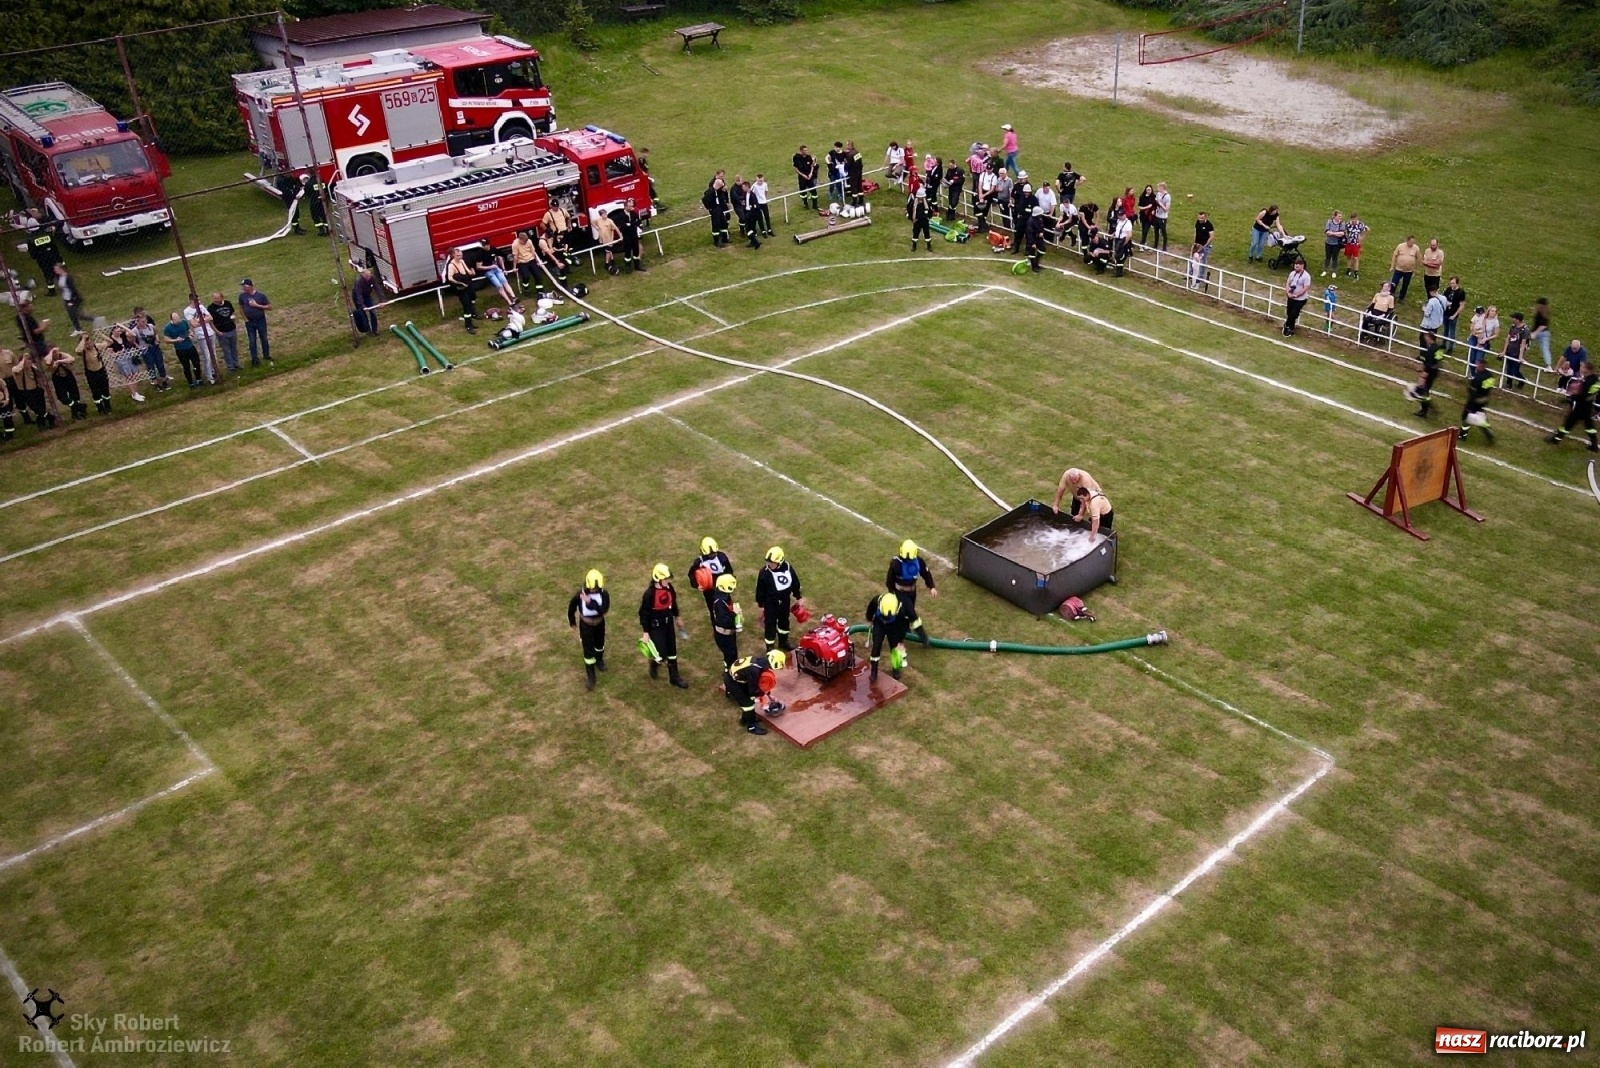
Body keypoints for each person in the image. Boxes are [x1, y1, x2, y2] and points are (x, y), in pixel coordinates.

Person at [638, 563, 690, 688]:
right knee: (661, 653)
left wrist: (677, 616)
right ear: (658, 579)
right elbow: (643, 614)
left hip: (668, 624)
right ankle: (655, 664)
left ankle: (674, 677)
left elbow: (673, 602)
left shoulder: (669, 588)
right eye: (665, 579)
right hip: (656, 627)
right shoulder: (649, 594)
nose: (668, 581)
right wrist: (646, 632)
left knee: (672, 650)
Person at [723, 650, 787, 736]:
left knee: (748, 701)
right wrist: (762, 698)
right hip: (733, 682)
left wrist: (766, 694)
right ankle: (751, 727)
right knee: (748, 703)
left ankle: (745, 719)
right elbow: (753, 690)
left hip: (738, 678)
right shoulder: (755, 670)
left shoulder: (760, 662)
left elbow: (756, 682)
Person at [753, 546, 804, 653]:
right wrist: (761, 606)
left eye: (772, 563)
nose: (769, 565)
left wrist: (798, 597)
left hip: (784, 601)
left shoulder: (788, 568)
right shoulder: (764, 573)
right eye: (768, 562)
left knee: (784, 622)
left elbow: (795, 583)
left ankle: (783, 642)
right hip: (770, 603)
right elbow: (760, 591)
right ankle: (770, 647)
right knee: (770, 624)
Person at [885, 539, 937, 643]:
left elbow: (926, 573)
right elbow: (889, 579)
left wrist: (931, 587)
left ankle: (904, 629)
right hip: (900, 593)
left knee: (906, 612)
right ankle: (923, 637)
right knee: (912, 614)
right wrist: (891, 593)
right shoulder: (896, 564)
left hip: (912, 592)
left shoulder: (918, 561)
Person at [1546, 359, 1598, 452]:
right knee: (1589, 426)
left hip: (1581, 407)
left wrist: (1572, 397)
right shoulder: (1594, 379)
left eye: (1582, 367)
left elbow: (1583, 395)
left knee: (1568, 424)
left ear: (1587, 369)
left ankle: (1555, 439)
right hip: (1587, 407)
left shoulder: (1588, 381)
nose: (1580, 368)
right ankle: (1594, 445)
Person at [866, 591, 915, 682]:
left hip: (894, 626)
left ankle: (896, 669)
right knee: (876, 647)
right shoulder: (876, 600)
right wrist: (869, 620)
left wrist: (900, 641)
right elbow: (870, 610)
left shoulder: (901, 610)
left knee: (895, 648)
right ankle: (874, 671)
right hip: (879, 624)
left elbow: (903, 627)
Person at [689, 536, 734, 625]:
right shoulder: (699, 562)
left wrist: (730, 581)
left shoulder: (722, 557)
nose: (713, 555)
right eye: (711, 554)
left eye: (714, 553)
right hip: (709, 590)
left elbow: (729, 570)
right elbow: (691, 574)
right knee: (713, 608)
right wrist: (697, 585)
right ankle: (717, 625)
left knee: (728, 604)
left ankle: (731, 621)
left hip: (723, 587)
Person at [1404, 329, 1444, 418]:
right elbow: (1437, 362)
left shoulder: (1431, 349)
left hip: (1429, 372)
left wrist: (1425, 372)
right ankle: (1426, 409)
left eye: (1426, 337)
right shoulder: (1437, 348)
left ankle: (1427, 409)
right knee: (1424, 391)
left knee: (1422, 391)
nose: (1425, 338)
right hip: (1433, 372)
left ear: (1430, 338)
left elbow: (1430, 363)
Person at [131, 307, 171, 391]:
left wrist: (157, 339)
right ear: (137, 322)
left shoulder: (150, 326)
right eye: (142, 322)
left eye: (145, 321)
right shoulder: (135, 331)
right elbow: (133, 341)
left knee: (160, 364)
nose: (145, 323)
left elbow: (155, 333)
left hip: (155, 347)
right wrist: (138, 347)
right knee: (150, 366)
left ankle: (164, 380)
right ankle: (155, 382)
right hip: (146, 350)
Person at [105, 322, 146, 403]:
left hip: (129, 357)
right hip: (121, 360)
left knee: (134, 375)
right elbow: (111, 355)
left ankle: (136, 392)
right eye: (117, 330)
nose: (119, 332)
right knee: (129, 377)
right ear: (112, 331)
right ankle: (133, 394)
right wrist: (119, 353)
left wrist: (122, 326)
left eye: (120, 330)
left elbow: (133, 334)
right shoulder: (111, 341)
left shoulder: (123, 336)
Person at [42, 344, 86, 420]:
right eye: (53, 352)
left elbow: (72, 359)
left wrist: (59, 361)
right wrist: (51, 352)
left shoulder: (62, 355)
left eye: (56, 352)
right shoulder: (49, 358)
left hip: (68, 377)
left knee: (74, 395)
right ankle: (80, 407)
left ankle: (75, 413)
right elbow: (47, 362)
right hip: (58, 379)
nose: (55, 354)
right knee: (62, 398)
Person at [23, 212, 63, 293]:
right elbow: (53, 246)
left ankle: (52, 291)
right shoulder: (46, 233)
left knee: (47, 273)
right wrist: (58, 257)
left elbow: (32, 252)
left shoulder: (31, 239)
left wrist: (35, 257)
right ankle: (63, 286)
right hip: (52, 255)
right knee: (58, 271)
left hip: (42, 258)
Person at [1457, 361, 1496, 443]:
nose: (1477, 366)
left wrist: (1469, 405)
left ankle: (1463, 435)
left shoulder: (1478, 378)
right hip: (1484, 399)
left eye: (1478, 365)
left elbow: (1473, 392)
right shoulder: (1490, 376)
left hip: (1475, 400)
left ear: (1482, 366)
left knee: (1465, 417)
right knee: (1479, 414)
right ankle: (1487, 429)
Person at [709, 573, 742, 668]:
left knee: (732, 655)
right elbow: (724, 621)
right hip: (724, 635)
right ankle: (729, 673)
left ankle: (731, 670)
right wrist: (735, 614)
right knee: (730, 656)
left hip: (728, 634)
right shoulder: (720, 602)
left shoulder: (724, 597)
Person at [443, 248, 479, 333]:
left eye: (461, 255)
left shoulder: (462, 261)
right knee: (466, 305)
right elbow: (450, 278)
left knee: (472, 298)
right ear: (453, 255)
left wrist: (472, 272)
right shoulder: (451, 265)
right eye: (458, 255)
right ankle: (468, 326)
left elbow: (467, 271)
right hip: (461, 287)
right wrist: (460, 284)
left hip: (467, 283)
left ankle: (472, 318)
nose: (460, 256)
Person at [163, 310, 203, 388]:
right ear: (172, 320)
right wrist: (175, 340)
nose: (178, 321)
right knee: (186, 366)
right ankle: (190, 382)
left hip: (190, 346)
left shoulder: (184, 322)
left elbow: (189, 330)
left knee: (196, 363)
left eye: (179, 319)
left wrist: (191, 334)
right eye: (176, 320)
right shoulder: (168, 328)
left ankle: (199, 379)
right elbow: (166, 340)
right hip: (181, 350)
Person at [75, 331, 112, 415]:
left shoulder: (97, 347)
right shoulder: (83, 351)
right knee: (96, 393)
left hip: (101, 371)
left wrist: (101, 335)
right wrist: (83, 339)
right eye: (87, 344)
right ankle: (100, 409)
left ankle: (108, 407)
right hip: (91, 374)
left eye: (90, 343)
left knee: (105, 390)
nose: (89, 345)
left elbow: (110, 342)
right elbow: (78, 350)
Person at [239, 279, 273, 365]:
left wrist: (257, 305)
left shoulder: (260, 296)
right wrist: (245, 319)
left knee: (264, 338)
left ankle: (266, 355)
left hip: (260, 320)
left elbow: (269, 307)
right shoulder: (242, 296)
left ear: (250, 286)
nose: (243, 288)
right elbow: (241, 308)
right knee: (252, 340)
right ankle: (254, 358)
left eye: (244, 286)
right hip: (250, 321)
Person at [205, 291, 241, 370]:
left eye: (217, 298)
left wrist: (234, 323)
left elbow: (232, 313)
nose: (216, 300)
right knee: (226, 350)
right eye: (214, 298)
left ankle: (236, 363)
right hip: (221, 331)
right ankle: (230, 366)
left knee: (234, 348)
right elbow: (211, 322)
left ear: (222, 298)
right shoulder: (210, 308)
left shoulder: (228, 303)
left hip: (231, 328)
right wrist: (217, 331)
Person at [475, 238, 518, 303]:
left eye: (485, 245)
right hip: (488, 271)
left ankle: (514, 297)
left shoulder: (493, 249)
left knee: (504, 281)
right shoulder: (479, 253)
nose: (483, 246)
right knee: (499, 286)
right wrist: (490, 266)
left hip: (496, 269)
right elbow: (478, 267)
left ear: (488, 244)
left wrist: (503, 268)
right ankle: (509, 301)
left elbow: (500, 257)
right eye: (482, 245)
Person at [615, 199, 647, 272]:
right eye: (630, 206)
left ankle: (637, 265)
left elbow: (638, 221)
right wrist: (632, 224)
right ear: (626, 206)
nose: (632, 207)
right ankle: (628, 267)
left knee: (636, 250)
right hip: (626, 236)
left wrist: (630, 224)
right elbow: (623, 226)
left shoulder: (633, 213)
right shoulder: (620, 215)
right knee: (627, 251)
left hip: (634, 234)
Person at [53, 263, 86, 334]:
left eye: (56, 269)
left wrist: (71, 300)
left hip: (72, 299)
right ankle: (78, 329)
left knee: (77, 315)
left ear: (61, 269)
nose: (55, 270)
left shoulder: (68, 277)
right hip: (66, 299)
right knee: (71, 315)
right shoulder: (59, 277)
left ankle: (94, 319)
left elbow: (73, 289)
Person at [1283, 257, 1312, 336]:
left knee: (1293, 314)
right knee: (1289, 313)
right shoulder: (1292, 273)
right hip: (1291, 297)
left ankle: (1287, 326)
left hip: (1300, 299)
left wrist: (1297, 295)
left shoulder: (1306, 276)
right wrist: (1287, 292)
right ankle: (1291, 328)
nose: (1296, 267)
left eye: (1298, 266)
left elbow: (1305, 288)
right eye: (1295, 265)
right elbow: (1288, 283)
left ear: (1302, 266)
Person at [1502, 311, 1530, 391]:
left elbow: (1523, 343)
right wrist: (1504, 351)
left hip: (1517, 353)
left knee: (1515, 370)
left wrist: (1520, 356)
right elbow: (1508, 339)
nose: (1512, 319)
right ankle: (1509, 384)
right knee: (1509, 369)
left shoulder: (1525, 330)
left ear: (1518, 320)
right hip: (1510, 351)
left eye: (1513, 318)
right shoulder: (1513, 327)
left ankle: (1522, 380)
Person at [702, 176, 731, 248]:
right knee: (716, 225)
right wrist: (709, 208)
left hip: (719, 208)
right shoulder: (710, 192)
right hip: (714, 209)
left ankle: (724, 238)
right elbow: (704, 200)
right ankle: (716, 241)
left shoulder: (717, 191)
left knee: (724, 222)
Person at [1389, 235, 1420, 302]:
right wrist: (1392, 266)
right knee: (1394, 282)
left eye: (1413, 242)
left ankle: (1401, 297)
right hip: (1398, 269)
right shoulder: (1400, 246)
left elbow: (1418, 258)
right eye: (1411, 242)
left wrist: (1416, 269)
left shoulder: (1416, 248)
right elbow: (1395, 256)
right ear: (1407, 241)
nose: (1412, 244)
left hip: (1409, 271)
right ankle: (1391, 295)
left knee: (1405, 284)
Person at [349, 270, 380, 338]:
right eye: (367, 276)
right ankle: (367, 330)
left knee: (373, 312)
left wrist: (382, 299)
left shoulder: (372, 278)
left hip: (367, 296)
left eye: (369, 275)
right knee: (363, 314)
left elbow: (377, 288)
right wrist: (362, 306)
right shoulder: (359, 281)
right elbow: (358, 295)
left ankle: (375, 330)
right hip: (357, 298)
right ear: (363, 276)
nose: (369, 277)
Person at [1440, 277, 1466, 355]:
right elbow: (1444, 299)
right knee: (1445, 329)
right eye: (1451, 283)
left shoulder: (1461, 292)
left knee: (1452, 331)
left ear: (1457, 283)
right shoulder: (1448, 289)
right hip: (1446, 312)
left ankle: (1450, 347)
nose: (1451, 285)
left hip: (1453, 313)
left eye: (1453, 283)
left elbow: (1462, 305)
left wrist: (1455, 315)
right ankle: (1443, 344)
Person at [592, 211, 623, 275]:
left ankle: (606, 263)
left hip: (609, 239)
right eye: (603, 214)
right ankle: (612, 260)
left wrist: (620, 236)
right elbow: (592, 222)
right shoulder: (598, 220)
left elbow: (616, 228)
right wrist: (596, 228)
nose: (605, 215)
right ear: (601, 215)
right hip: (602, 239)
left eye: (606, 214)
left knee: (608, 251)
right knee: (608, 251)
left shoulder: (610, 221)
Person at [511, 230, 541, 295]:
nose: (526, 242)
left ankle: (540, 290)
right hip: (522, 262)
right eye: (524, 241)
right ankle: (526, 289)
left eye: (526, 240)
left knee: (537, 275)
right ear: (520, 239)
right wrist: (514, 267)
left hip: (531, 260)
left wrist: (536, 261)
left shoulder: (529, 241)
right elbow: (515, 256)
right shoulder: (515, 244)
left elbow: (533, 252)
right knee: (526, 276)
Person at [300, 172, 329, 236]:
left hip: (314, 202)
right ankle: (327, 229)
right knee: (324, 216)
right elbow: (326, 189)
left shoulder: (308, 183)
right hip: (323, 201)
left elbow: (307, 193)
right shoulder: (321, 180)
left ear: (309, 174)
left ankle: (321, 230)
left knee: (315, 216)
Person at [1191, 210, 1215, 284]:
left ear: (1205, 217)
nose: (1200, 220)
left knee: (1202, 262)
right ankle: (1190, 274)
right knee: (1192, 259)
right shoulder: (1197, 222)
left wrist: (1204, 246)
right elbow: (1195, 233)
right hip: (1197, 245)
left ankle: (1200, 277)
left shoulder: (1209, 225)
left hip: (1205, 247)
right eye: (1199, 218)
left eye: (1202, 218)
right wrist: (1194, 243)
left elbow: (1211, 237)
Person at [1342, 212, 1367, 279]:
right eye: (1353, 219)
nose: (1354, 220)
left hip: (1356, 243)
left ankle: (1356, 272)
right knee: (1348, 257)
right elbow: (1345, 230)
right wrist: (1346, 235)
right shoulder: (1348, 224)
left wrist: (1362, 237)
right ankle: (1348, 269)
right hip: (1349, 243)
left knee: (1355, 258)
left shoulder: (1360, 224)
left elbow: (1365, 231)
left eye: (1355, 219)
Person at [1320, 209, 1345, 277]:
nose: (1340, 217)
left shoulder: (1342, 223)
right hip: (1328, 243)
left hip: (1336, 244)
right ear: (1334, 216)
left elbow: (1342, 233)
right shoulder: (1329, 222)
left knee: (1335, 257)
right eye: (1339, 216)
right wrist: (1336, 233)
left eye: (1340, 216)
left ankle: (1334, 271)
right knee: (1327, 257)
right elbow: (1327, 232)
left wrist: (1332, 233)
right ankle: (1325, 270)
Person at [794, 145, 818, 211]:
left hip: (809, 176)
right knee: (803, 192)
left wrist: (810, 173)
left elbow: (812, 166)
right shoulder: (797, 158)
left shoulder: (808, 157)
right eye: (804, 150)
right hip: (802, 177)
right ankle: (805, 204)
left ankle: (815, 205)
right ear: (801, 151)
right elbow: (795, 168)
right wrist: (802, 175)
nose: (806, 151)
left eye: (806, 150)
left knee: (813, 190)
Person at [739, 181, 762, 250]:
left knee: (748, 229)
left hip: (751, 214)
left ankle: (755, 242)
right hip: (747, 212)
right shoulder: (745, 194)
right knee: (750, 229)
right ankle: (753, 241)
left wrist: (752, 211)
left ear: (747, 187)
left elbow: (756, 205)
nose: (742, 188)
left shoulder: (752, 195)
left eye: (743, 187)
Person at [1531, 298, 1552, 370]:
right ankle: (1548, 365)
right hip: (1540, 332)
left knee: (1544, 348)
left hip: (1542, 333)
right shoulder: (1541, 312)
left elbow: (1543, 326)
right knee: (1545, 348)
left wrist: (1534, 333)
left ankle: (1548, 365)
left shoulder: (1543, 315)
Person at [909, 187, 933, 252]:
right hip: (917, 221)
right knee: (915, 234)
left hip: (925, 221)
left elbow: (930, 211)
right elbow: (910, 211)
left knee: (927, 234)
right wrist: (912, 219)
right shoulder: (914, 203)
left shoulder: (927, 203)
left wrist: (928, 217)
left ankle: (929, 245)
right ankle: (914, 246)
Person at [1026, 204, 1048, 272]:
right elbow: (1029, 233)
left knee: (1042, 249)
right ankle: (1034, 267)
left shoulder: (1039, 219)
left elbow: (1041, 226)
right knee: (1032, 253)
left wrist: (1041, 232)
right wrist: (1032, 243)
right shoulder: (1030, 221)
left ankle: (1036, 262)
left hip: (1039, 237)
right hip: (1033, 238)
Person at [943, 160, 965, 224]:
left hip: (957, 189)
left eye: (951, 166)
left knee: (954, 202)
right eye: (949, 166)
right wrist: (944, 181)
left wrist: (954, 181)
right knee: (951, 202)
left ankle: (948, 213)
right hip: (950, 188)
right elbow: (946, 177)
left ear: (954, 164)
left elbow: (962, 180)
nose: (950, 167)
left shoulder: (960, 170)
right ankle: (951, 217)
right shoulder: (949, 170)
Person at [1465, 305, 1488, 370]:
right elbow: (1472, 325)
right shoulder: (1475, 317)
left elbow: (1483, 329)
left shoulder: (1484, 319)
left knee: (1478, 357)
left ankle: (1476, 368)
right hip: (1474, 336)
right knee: (1471, 353)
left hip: (1481, 338)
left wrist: (1477, 332)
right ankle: (1471, 368)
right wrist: (1473, 331)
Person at [845, 140, 865, 211]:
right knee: (859, 185)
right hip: (859, 172)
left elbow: (848, 165)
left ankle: (854, 202)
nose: (846, 146)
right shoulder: (857, 152)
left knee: (854, 187)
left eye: (847, 145)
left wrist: (845, 168)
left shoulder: (850, 155)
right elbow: (860, 163)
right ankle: (861, 200)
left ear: (850, 146)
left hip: (853, 173)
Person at [826, 142, 847, 207]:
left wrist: (843, 165)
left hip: (839, 171)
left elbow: (845, 161)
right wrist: (829, 163)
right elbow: (826, 157)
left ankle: (840, 194)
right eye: (834, 147)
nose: (835, 148)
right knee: (832, 183)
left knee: (839, 183)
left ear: (840, 147)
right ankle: (830, 193)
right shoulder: (832, 152)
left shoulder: (843, 154)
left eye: (836, 147)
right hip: (832, 171)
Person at [1152, 181, 1172, 251]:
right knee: (1156, 231)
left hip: (1163, 217)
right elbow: (1155, 202)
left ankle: (1164, 247)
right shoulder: (1158, 194)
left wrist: (1160, 204)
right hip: (1157, 216)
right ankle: (1155, 245)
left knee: (1163, 231)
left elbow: (1166, 209)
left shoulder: (1167, 196)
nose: (1157, 189)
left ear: (1162, 187)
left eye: (1158, 187)